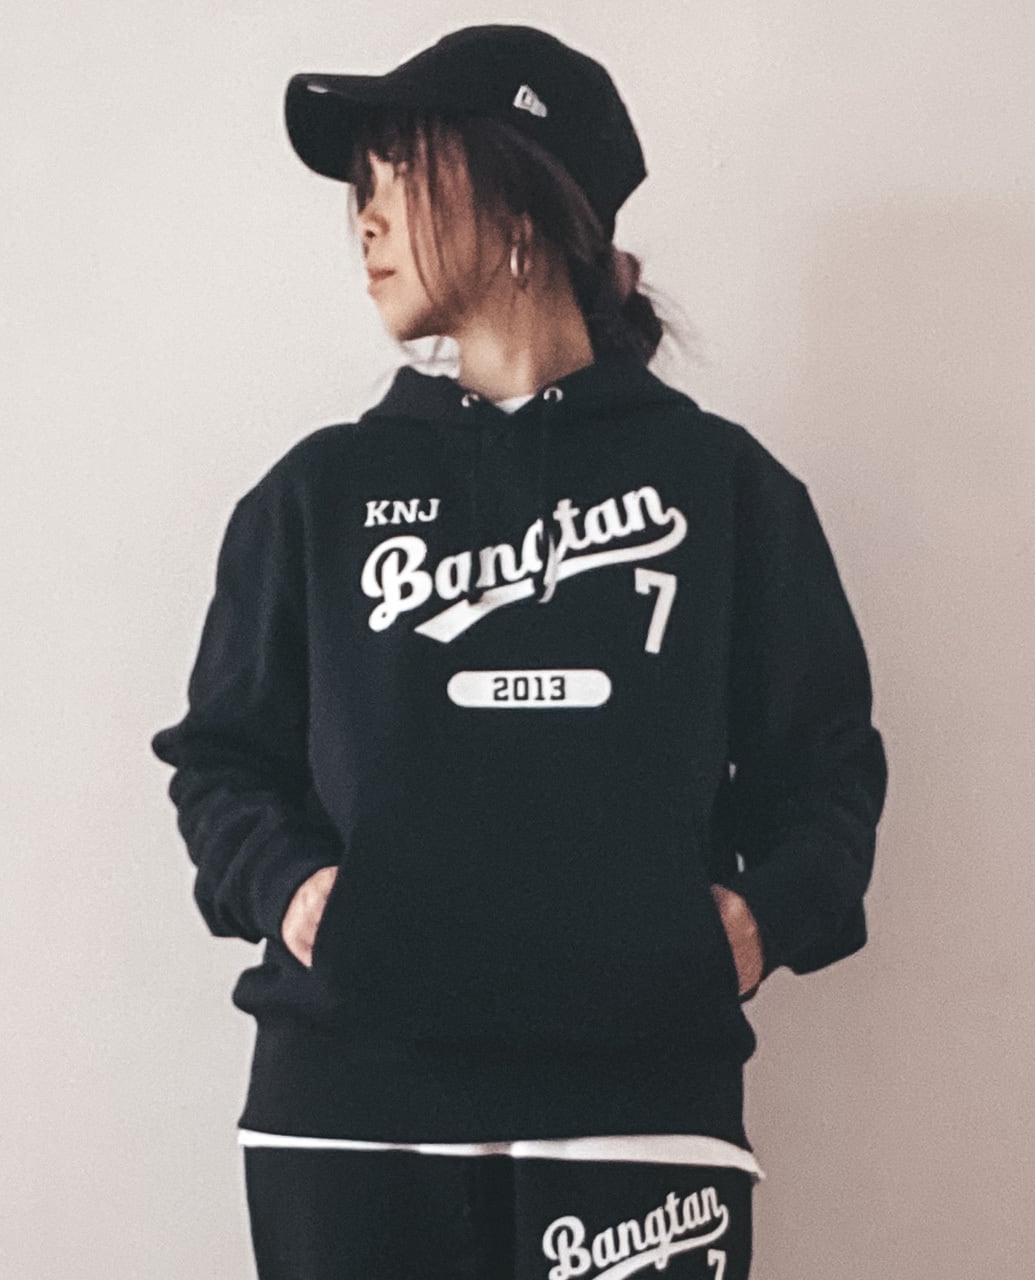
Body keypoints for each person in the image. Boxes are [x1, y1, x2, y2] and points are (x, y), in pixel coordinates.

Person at [149, 23, 888, 1280]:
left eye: (395, 176)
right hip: (350, 1109)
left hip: (640, 1105)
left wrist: (753, 925)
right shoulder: (317, 495)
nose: (364, 221)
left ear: (519, 199)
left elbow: (825, 770)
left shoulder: (724, 489)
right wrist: (298, 893)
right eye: (358, 192)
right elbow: (221, 759)